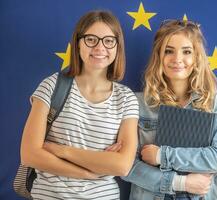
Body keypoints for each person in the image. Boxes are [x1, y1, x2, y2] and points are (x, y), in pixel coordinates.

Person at [20, 10, 139, 200]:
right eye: (91, 39)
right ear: (78, 43)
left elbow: (122, 165)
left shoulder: (126, 98)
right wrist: (87, 172)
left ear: (117, 47)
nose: (100, 47)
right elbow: (29, 154)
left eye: (109, 41)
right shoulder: (51, 86)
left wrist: (62, 150)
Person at [121, 19, 217, 200]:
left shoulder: (214, 102)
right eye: (168, 51)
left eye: (187, 51)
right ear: (159, 57)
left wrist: (162, 156)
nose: (177, 59)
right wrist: (179, 182)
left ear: (197, 58)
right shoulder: (137, 103)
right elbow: (125, 167)